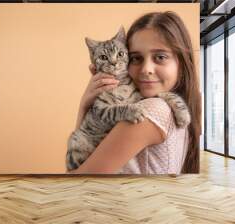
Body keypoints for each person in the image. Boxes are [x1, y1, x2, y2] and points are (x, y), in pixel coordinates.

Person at [70, 11, 201, 174]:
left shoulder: (150, 111)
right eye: (136, 58)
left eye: (160, 57)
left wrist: (83, 107)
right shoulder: (173, 106)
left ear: (181, 62)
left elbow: (77, 178)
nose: (146, 70)